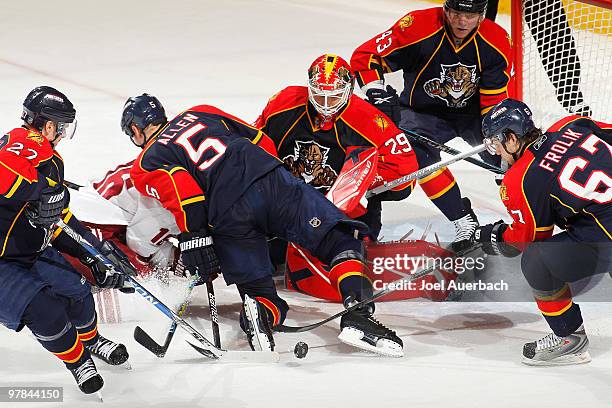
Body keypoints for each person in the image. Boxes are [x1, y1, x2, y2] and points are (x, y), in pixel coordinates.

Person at [122, 94, 404, 357]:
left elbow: (187, 195)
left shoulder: (146, 163)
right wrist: (274, 179)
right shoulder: (200, 111)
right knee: (339, 239)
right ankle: (358, 314)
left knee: (256, 289)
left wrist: (196, 239)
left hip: (228, 214)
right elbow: (260, 138)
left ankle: (261, 315)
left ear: (136, 130)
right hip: (270, 180)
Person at [351, 0, 513, 250]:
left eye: (470, 16)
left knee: (511, 156)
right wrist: (377, 93)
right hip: (423, 112)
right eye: (457, 13)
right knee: (417, 156)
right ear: (446, 10)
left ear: (482, 15)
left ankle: (529, 222)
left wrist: (500, 139)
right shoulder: (418, 26)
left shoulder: (497, 40)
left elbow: (493, 98)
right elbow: (366, 57)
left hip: (475, 114)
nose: (462, 21)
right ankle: (463, 219)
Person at [0, 86, 131, 395]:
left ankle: (92, 341)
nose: (61, 135)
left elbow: (56, 218)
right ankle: (78, 361)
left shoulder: (47, 158)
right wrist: (41, 189)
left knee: (77, 292)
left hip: (28, 251)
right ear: (48, 126)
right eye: (61, 128)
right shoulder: (27, 142)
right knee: (45, 312)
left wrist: (92, 252)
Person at [474, 98, 611, 365]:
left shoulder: (522, 179)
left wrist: (497, 235)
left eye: (496, 144)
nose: (497, 153)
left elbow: (529, 240)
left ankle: (568, 337)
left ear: (511, 138)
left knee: (538, 261)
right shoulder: (571, 124)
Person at [256, 53, 419, 241]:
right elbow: (254, 144)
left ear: (349, 89)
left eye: (333, 97)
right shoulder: (283, 103)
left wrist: (362, 182)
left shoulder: (370, 120)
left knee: (345, 257)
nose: (325, 106)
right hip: (286, 207)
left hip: (344, 215)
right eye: (319, 96)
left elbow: (405, 177)